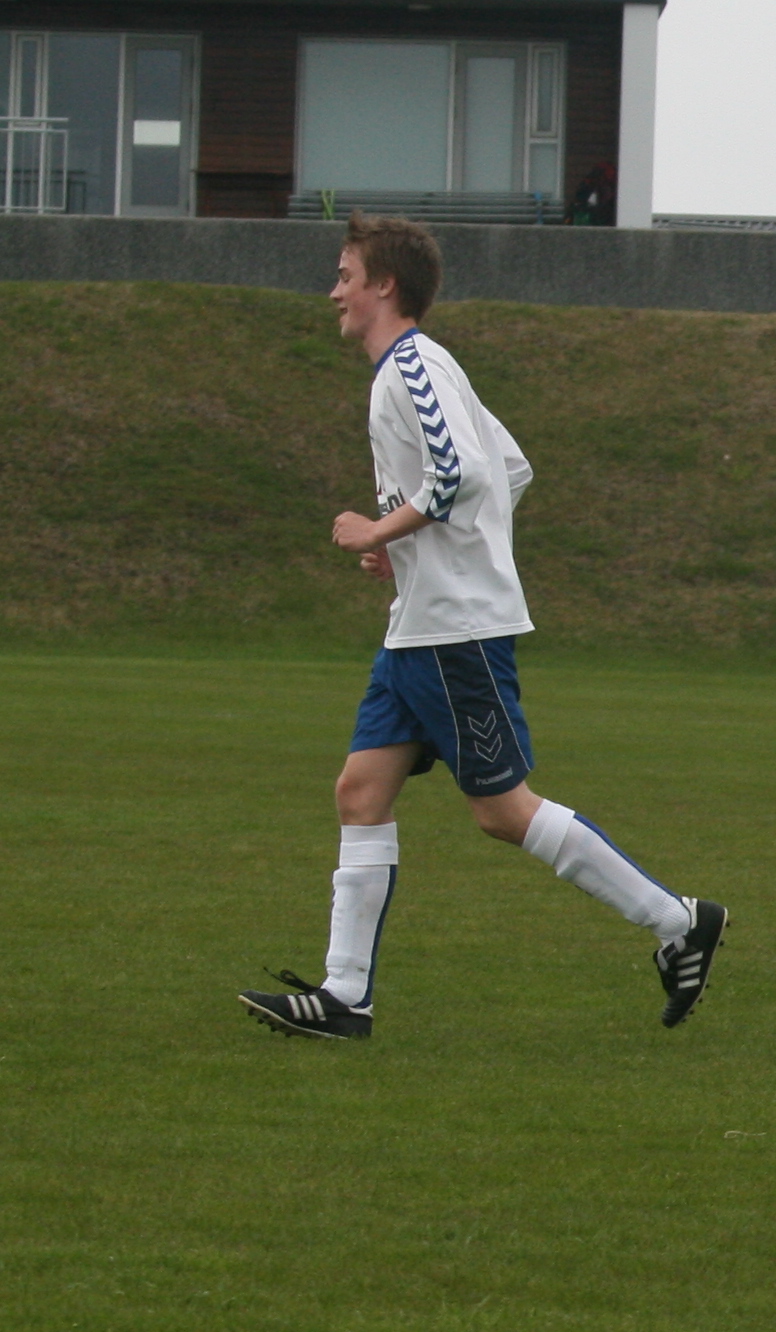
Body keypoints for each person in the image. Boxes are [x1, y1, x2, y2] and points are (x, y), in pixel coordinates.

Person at [241, 214, 727, 1038]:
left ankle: (677, 921)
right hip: (419, 627)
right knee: (360, 791)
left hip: (453, 631)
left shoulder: (411, 366)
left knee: (502, 811)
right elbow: (510, 469)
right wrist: (408, 547)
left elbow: (464, 473)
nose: (334, 292)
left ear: (384, 285)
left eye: (346, 275)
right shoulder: (416, 369)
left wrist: (382, 529)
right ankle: (345, 996)